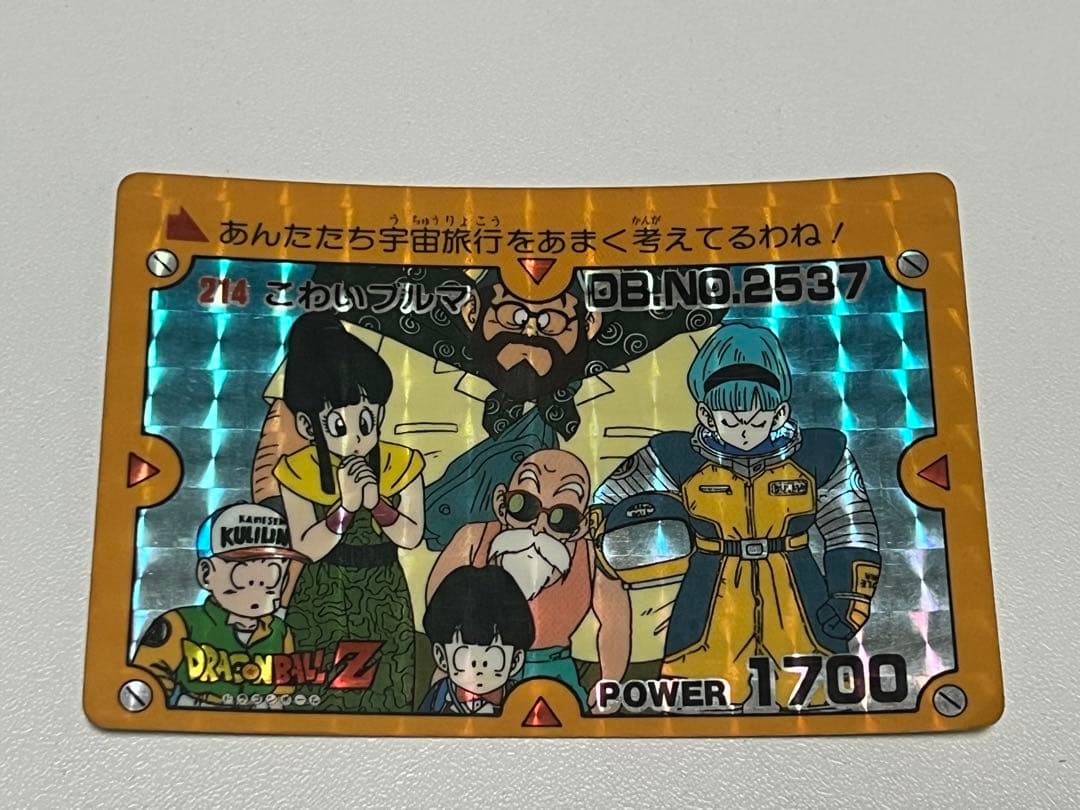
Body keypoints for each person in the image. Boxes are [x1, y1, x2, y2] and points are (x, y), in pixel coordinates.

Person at [594, 323, 882, 708]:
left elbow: (850, 526)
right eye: (730, 420)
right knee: (694, 703)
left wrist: (851, 596)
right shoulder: (675, 457)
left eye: (756, 419)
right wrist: (603, 527)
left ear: (779, 413)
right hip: (710, 594)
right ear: (706, 415)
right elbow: (609, 499)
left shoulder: (821, 455)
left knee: (819, 703)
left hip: (797, 591)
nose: (744, 431)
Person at [272, 312, 425, 712]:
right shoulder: (297, 471)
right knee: (316, 701)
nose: (356, 437)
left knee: (387, 698)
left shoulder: (401, 463)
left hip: (385, 593)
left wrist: (377, 504)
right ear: (308, 425)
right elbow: (307, 547)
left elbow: (411, 535)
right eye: (338, 426)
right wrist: (344, 509)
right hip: (321, 593)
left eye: (367, 421)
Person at [426, 449, 630, 710]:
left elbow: (615, 622)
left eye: (561, 518)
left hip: (550, 674)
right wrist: (447, 667)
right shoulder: (474, 539)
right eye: (523, 506)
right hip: (475, 665)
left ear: (582, 525)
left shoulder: (590, 555)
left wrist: (609, 682)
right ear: (501, 504)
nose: (538, 526)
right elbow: (439, 606)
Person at [132, 503, 306, 708]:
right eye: (244, 573)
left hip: (259, 717)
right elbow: (149, 681)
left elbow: (284, 686)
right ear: (206, 573)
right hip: (194, 714)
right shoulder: (180, 624)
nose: (259, 585)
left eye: (272, 571)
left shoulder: (280, 631)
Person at [419, 565, 535, 714]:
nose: (478, 671)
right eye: (463, 656)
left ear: (515, 661)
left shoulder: (521, 698)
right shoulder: (437, 698)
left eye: (493, 658)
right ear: (442, 657)